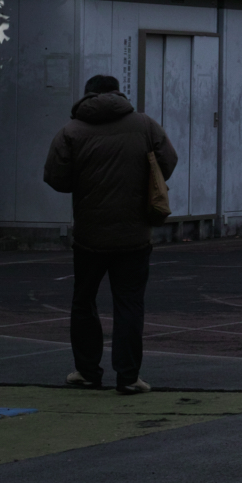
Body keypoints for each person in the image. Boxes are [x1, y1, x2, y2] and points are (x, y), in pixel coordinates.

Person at [42, 74, 177, 396]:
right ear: (119, 92)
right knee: (129, 304)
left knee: (83, 301)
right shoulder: (145, 125)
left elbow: (56, 178)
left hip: (89, 234)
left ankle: (88, 372)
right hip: (134, 232)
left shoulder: (71, 131)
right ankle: (129, 377)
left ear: (87, 96)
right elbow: (168, 162)